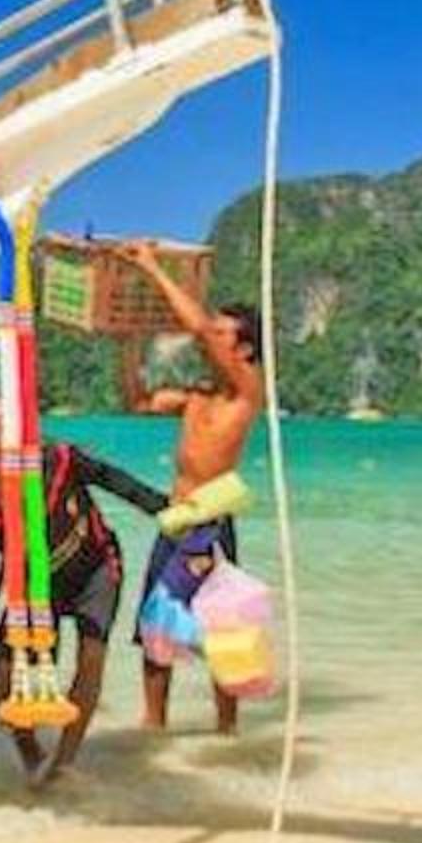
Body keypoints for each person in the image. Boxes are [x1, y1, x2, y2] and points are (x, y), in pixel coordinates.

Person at [0, 401, 168, 788]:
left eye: (2, 456)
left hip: (95, 569)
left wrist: (166, 510)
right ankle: (33, 759)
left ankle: (63, 765)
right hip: (36, 584)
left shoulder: (58, 462)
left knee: (91, 657)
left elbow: (112, 479)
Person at [123, 240, 267, 734]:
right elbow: (138, 402)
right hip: (174, 522)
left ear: (244, 350)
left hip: (209, 525)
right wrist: (128, 344)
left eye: (223, 333)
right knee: (154, 626)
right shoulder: (198, 396)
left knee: (224, 630)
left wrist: (150, 266)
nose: (210, 337)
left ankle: (227, 733)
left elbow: (198, 329)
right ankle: (152, 728)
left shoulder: (247, 389)